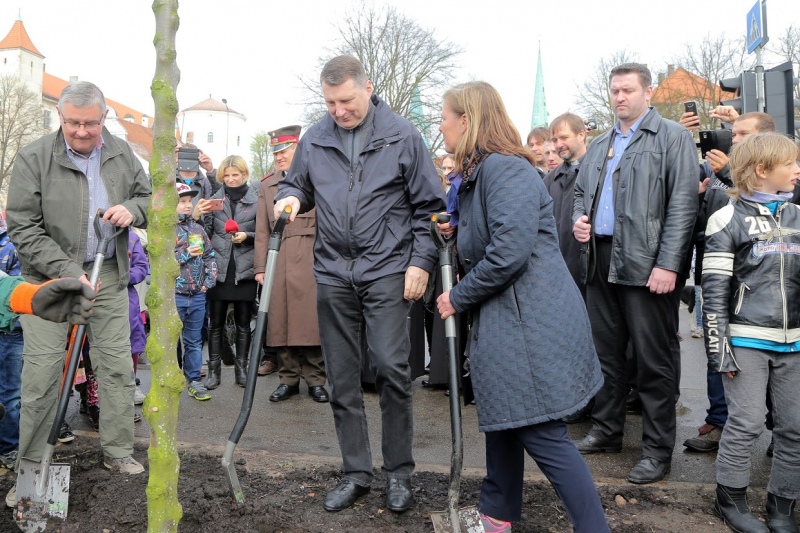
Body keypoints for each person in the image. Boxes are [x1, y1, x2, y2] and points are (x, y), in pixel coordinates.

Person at [274, 55, 445, 513]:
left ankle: (399, 473)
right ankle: (356, 472)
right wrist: (289, 197)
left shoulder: (403, 136)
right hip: (332, 271)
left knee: (392, 368)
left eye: (346, 100)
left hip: (388, 269)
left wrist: (422, 261)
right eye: (330, 102)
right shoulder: (315, 137)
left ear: (367, 88)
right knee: (342, 378)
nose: (338, 110)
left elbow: (430, 207)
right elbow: (299, 184)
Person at [436, 80, 607, 533]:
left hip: (528, 322)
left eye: (445, 118)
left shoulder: (504, 169)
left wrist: (457, 295)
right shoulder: (482, 173)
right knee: (505, 421)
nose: (441, 127)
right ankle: (496, 516)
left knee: (540, 432)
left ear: (466, 120)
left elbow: (510, 253)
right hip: (510, 319)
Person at [5, 81, 151, 493]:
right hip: (48, 279)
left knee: (117, 367)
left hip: (108, 274)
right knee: (42, 374)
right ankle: (32, 469)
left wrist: (133, 209)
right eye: (73, 123)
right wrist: (67, 269)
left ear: (104, 118)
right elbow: (22, 226)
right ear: (60, 118)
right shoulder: (34, 156)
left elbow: (149, 197)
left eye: (90, 123)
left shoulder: (122, 153)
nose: (82, 132)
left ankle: (119, 451)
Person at [572, 63, 698, 484]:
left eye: (628, 90)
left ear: (648, 92)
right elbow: (579, 192)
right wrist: (579, 219)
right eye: (615, 91)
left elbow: (683, 205)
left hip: (647, 264)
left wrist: (668, 264)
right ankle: (607, 431)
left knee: (652, 361)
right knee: (605, 355)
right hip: (600, 259)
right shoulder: (601, 142)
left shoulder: (673, 138)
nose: (620, 97)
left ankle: (657, 450)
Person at [702, 132, 800, 533]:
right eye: (791, 164)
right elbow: (714, 291)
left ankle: (783, 506)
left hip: (794, 343)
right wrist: (718, 349)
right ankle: (731, 500)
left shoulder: (797, 216)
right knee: (746, 425)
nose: (797, 170)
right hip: (745, 341)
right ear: (761, 170)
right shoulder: (726, 217)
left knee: (794, 427)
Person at [681, 111, 778, 454]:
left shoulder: (780, 174)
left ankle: (778, 429)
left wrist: (726, 172)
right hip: (717, 279)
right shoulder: (715, 173)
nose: (733, 139)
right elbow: (702, 227)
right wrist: (697, 196)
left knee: (765, 358)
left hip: (760, 287)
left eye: (742, 133)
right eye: (733, 133)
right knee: (716, 353)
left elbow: (770, 216)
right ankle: (719, 422)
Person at [254, 125, 328, 403]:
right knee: (280, 322)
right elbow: (262, 230)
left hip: (311, 256)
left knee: (310, 322)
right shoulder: (267, 185)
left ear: (298, 148)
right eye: (276, 152)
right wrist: (261, 268)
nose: (279, 157)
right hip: (279, 256)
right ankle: (288, 380)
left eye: (284, 150)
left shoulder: (317, 179)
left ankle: (316, 380)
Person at [204, 155, 258, 389]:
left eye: (235, 174)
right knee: (215, 323)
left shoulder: (257, 201)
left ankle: (241, 370)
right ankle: (214, 372)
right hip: (219, 268)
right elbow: (204, 232)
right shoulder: (214, 201)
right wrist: (197, 214)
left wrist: (248, 236)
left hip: (245, 268)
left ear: (244, 175)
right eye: (226, 175)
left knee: (243, 323)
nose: (231, 179)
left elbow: (263, 233)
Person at [175, 182, 217, 400]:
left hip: (197, 295)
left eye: (188, 202)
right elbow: (159, 263)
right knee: (171, 340)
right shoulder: (165, 231)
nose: (186, 205)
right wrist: (186, 254)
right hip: (174, 296)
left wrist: (208, 281)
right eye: (181, 202)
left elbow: (209, 255)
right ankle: (171, 378)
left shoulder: (197, 228)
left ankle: (194, 380)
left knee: (194, 341)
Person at [0, 213, 22, 469]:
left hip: (11, 330)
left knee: (10, 392)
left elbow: (21, 288)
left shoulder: (12, 245)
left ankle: (8, 447)